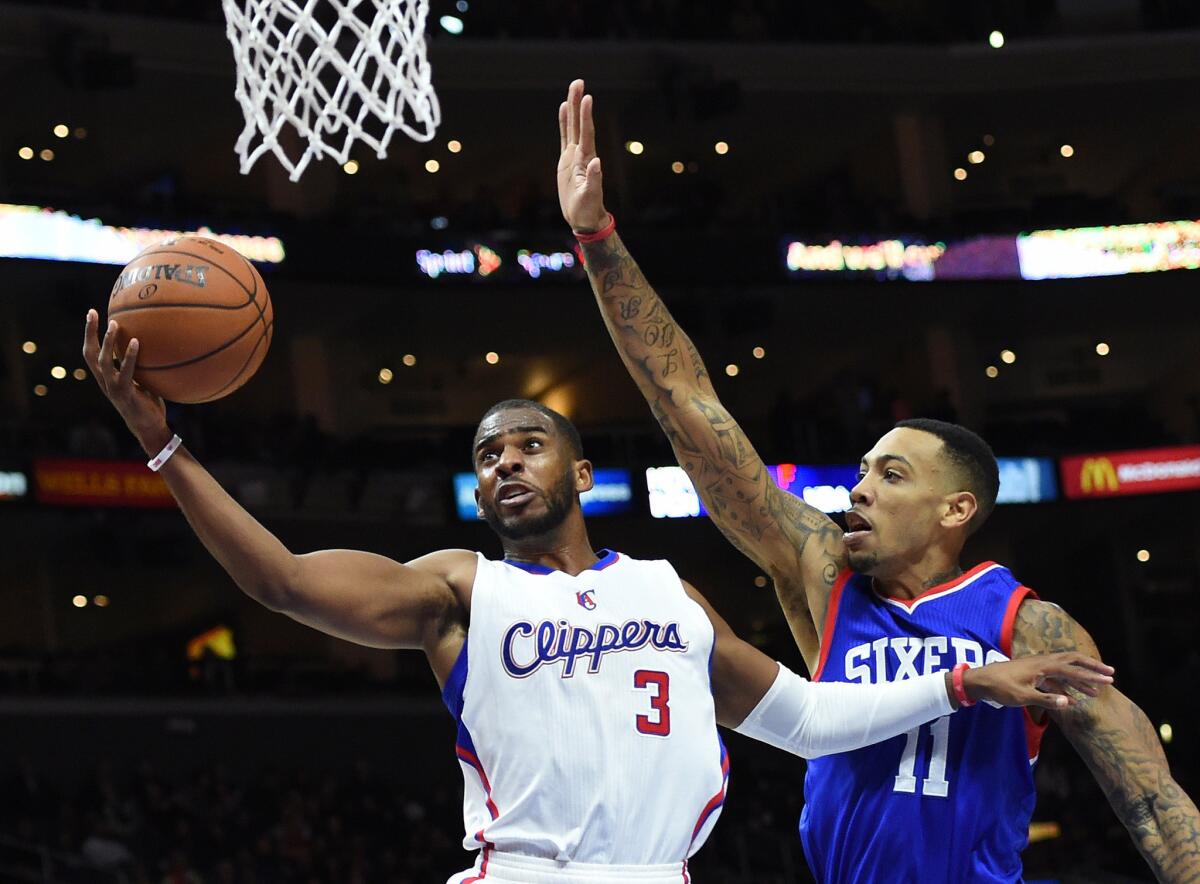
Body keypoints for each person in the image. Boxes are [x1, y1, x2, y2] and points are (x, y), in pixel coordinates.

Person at [82, 312, 1111, 884]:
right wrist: (163, 445)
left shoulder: (667, 593)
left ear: (582, 474)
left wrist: (968, 677)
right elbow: (281, 579)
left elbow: (806, 719)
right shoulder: (457, 588)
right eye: (487, 453)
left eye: (528, 442)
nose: (505, 462)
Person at [557, 78, 1200, 883]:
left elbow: (1151, 802)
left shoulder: (1030, 627)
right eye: (861, 470)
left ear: (955, 508)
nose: (858, 489)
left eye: (890, 475)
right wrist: (598, 238)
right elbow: (685, 403)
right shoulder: (825, 575)